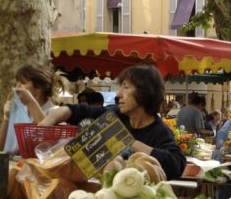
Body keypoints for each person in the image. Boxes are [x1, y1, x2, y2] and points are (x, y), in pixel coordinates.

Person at [39, 64, 186, 180]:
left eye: (126, 87)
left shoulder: (159, 131)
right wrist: (56, 115)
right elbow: (82, 111)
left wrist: (129, 142)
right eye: (120, 87)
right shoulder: (116, 115)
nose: (118, 94)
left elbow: (177, 163)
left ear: (145, 92)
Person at [0, 65, 69, 154]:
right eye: (17, 82)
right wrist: (6, 117)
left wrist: (30, 102)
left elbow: (50, 145)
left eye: (23, 83)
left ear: (38, 88)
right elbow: (0, 147)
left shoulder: (55, 112)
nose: (17, 86)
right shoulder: (21, 112)